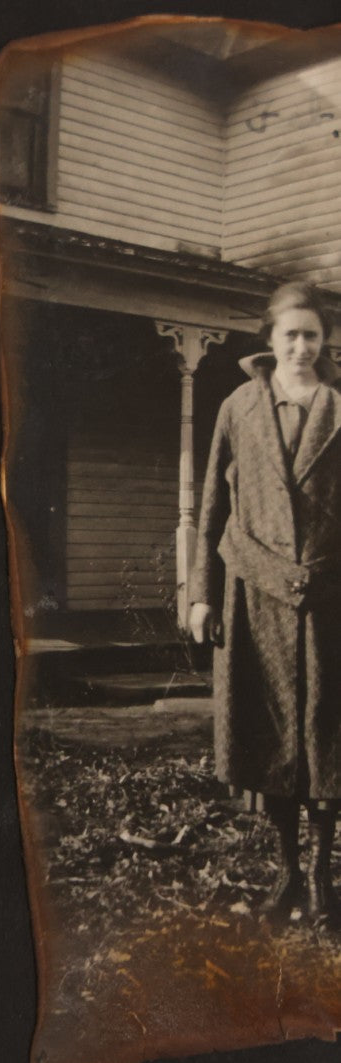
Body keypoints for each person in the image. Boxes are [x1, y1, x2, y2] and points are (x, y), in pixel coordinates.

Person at [190, 281, 341, 927]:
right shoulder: (238, 407)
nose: (302, 347)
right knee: (271, 736)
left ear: (325, 341)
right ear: (270, 339)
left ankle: (321, 874)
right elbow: (211, 507)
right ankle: (286, 870)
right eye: (291, 335)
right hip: (255, 597)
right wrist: (200, 595)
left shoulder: (340, 407)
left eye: (313, 335)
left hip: (330, 597)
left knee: (327, 738)